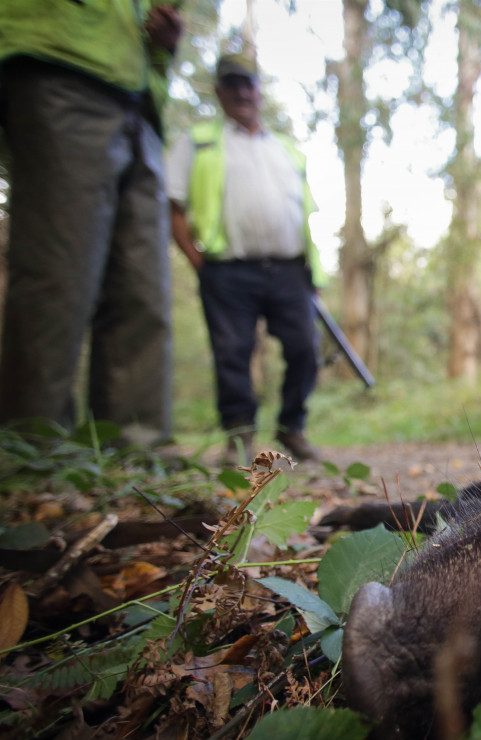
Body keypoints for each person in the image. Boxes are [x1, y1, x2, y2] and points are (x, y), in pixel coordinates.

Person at [0, 1, 182, 445]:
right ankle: (34, 452)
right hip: (59, 59)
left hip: (142, 98)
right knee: (59, 271)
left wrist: (163, 47)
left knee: (143, 292)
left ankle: (138, 454)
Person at [166, 53, 326, 463]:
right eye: (231, 85)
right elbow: (174, 206)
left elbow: (306, 214)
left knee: (305, 348)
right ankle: (239, 437)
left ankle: (292, 428)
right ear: (219, 93)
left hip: (290, 269)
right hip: (227, 270)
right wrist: (197, 261)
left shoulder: (287, 149)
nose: (241, 92)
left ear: (258, 91)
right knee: (232, 352)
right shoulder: (198, 140)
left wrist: (314, 272)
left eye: (247, 84)